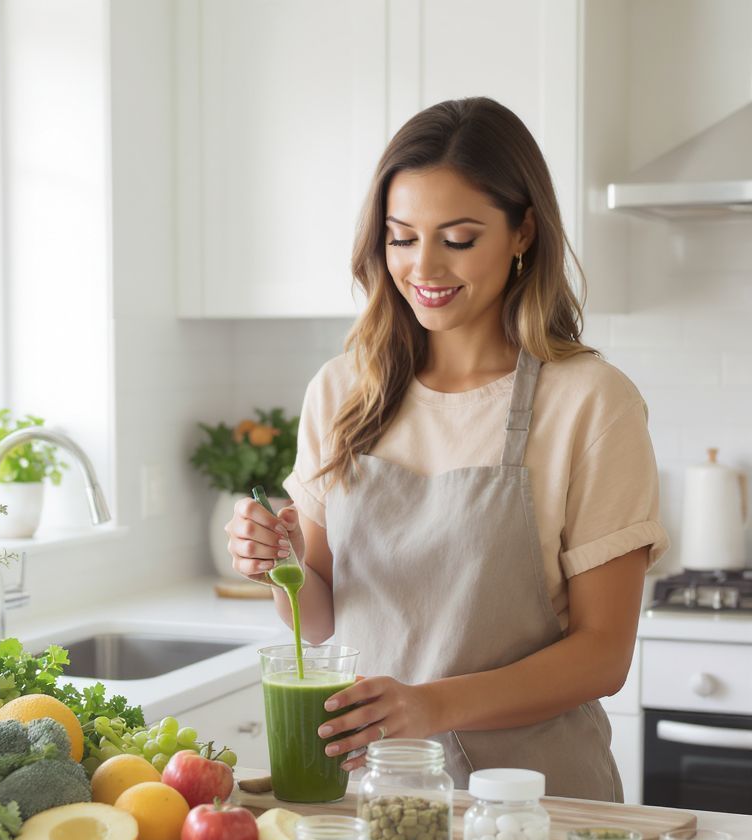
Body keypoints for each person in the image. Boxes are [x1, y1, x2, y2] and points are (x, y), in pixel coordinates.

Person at [226, 97, 668, 801]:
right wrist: (278, 566)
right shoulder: (343, 392)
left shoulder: (591, 402)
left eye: (458, 238)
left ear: (523, 231)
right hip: (375, 797)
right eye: (401, 238)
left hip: (532, 804)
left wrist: (432, 705)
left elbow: (602, 655)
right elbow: (319, 616)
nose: (423, 266)